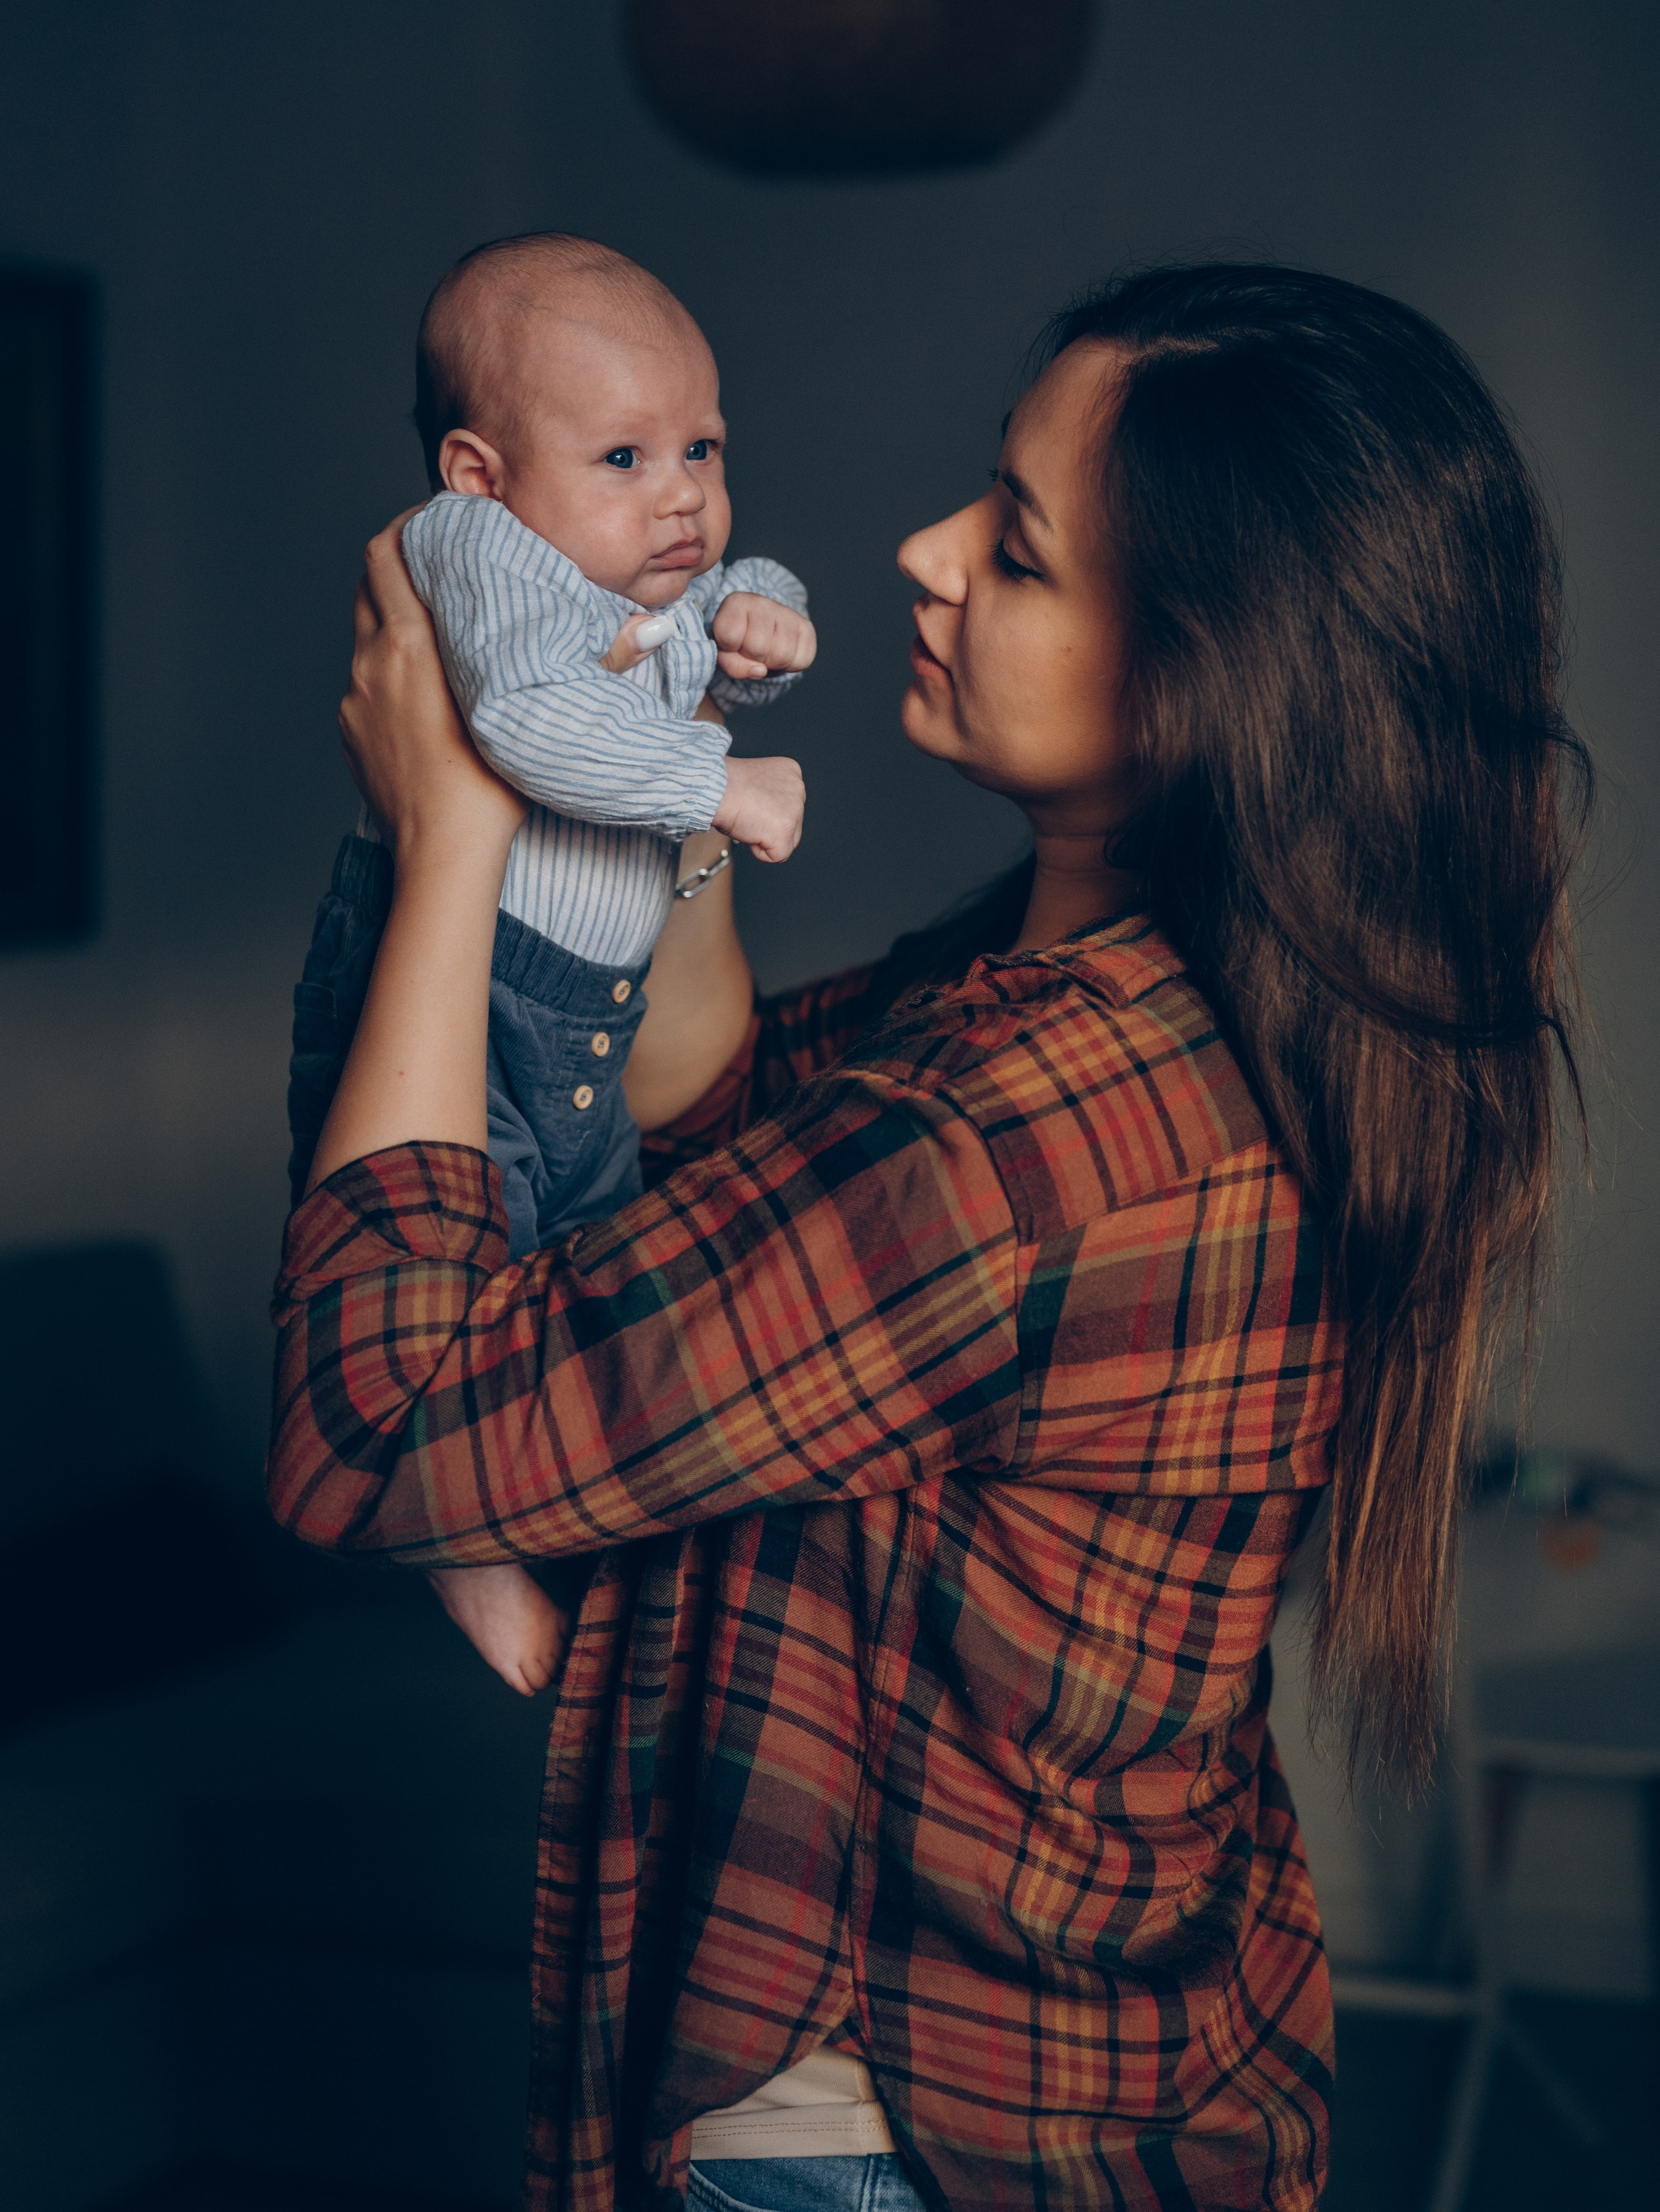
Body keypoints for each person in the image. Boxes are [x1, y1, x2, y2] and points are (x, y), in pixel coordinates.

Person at [268, 264, 1589, 2212]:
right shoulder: (1116, 1000)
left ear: (1202, 680)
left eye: (1019, 549)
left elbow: (369, 1424)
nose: (926, 550)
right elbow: (715, 1125)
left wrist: (453, 833)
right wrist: (647, 769)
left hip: (888, 2138)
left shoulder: (1032, 1139)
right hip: (1129, 2068)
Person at [284, 232, 814, 1696]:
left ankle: (553, 1546)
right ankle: (448, 1541)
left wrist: (759, 617)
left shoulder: (630, 563)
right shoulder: (479, 553)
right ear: (479, 474)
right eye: (627, 456)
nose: (683, 493)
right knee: (467, 1263)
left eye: (703, 447)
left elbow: (723, 600)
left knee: (577, 1269)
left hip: (584, 1012)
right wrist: (718, 784)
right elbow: (527, 724)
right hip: (472, 990)